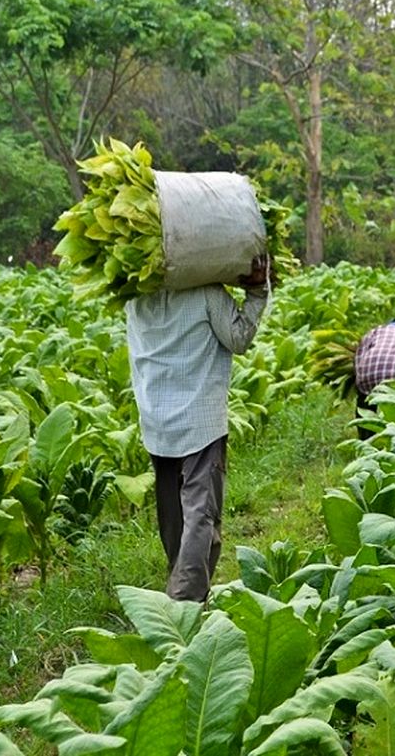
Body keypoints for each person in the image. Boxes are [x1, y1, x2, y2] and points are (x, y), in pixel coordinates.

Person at [126, 255, 271, 602]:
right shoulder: (206, 293)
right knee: (200, 515)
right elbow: (238, 338)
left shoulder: (135, 299)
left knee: (173, 516)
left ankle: (183, 584)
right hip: (199, 421)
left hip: (156, 420)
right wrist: (257, 293)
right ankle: (184, 604)